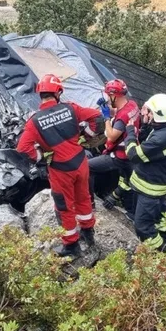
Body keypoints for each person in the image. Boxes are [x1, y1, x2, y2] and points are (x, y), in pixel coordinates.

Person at [16, 74, 102, 257]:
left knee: (64, 207)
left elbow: (23, 148)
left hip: (61, 169)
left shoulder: (34, 122)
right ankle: (89, 234)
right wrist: (86, 135)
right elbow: (96, 116)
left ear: (41, 95)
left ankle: (71, 246)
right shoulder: (71, 109)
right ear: (58, 93)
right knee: (84, 199)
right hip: (81, 163)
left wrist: (40, 155)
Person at [123, 93, 166, 252]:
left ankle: (161, 252)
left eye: (149, 112)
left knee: (142, 226)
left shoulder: (160, 138)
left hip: (150, 190)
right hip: (159, 185)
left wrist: (130, 133)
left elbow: (134, 155)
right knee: (161, 219)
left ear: (158, 116)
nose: (144, 113)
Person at [88, 79, 140, 214]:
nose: (107, 97)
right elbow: (121, 115)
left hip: (119, 156)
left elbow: (111, 135)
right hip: (130, 153)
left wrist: (106, 118)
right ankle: (130, 212)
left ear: (114, 95)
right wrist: (110, 111)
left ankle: (89, 202)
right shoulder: (132, 105)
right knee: (128, 182)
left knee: (87, 167)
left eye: (108, 95)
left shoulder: (122, 116)